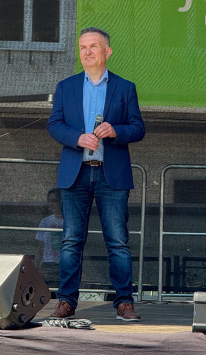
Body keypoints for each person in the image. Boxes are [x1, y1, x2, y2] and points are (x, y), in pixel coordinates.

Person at [46, 27, 145, 321]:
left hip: (111, 175)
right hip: (75, 174)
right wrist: (77, 137)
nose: (87, 52)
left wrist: (116, 131)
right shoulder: (66, 86)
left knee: (118, 241)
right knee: (70, 241)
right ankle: (66, 301)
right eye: (83, 47)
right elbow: (54, 125)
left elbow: (138, 128)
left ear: (107, 52)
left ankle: (124, 302)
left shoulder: (124, 87)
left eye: (93, 46)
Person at [35, 188, 63, 284]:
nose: (51, 204)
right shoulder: (45, 221)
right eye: (49, 201)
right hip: (48, 263)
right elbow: (40, 246)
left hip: (64, 263)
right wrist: (37, 265)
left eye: (54, 201)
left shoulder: (68, 221)